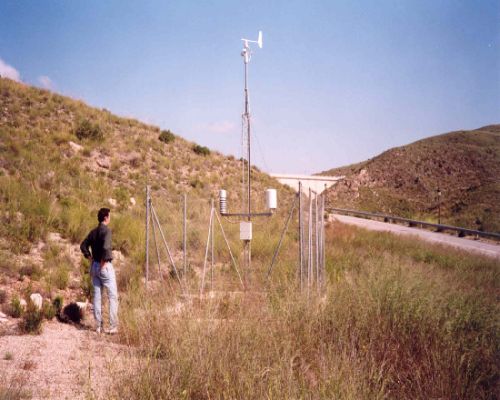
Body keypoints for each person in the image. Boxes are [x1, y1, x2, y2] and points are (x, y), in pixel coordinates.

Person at [80, 207, 118, 334]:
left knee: (97, 296)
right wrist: (103, 261)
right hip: (104, 266)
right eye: (109, 216)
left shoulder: (93, 232)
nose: (110, 218)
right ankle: (113, 326)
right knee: (112, 296)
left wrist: (90, 257)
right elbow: (106, 247)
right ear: (106, 217)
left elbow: (83, 245)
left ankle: (98, 326)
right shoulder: (106, 231)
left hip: (94, 267)